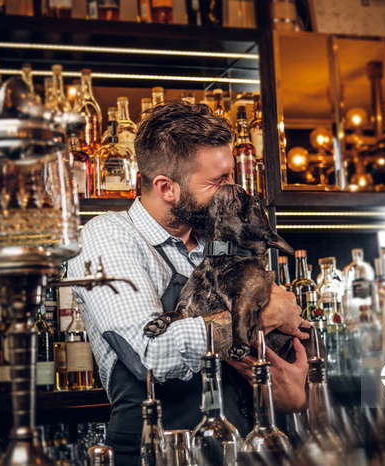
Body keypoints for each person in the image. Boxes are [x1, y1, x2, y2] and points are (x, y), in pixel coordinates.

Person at [68, 100, 310, 465]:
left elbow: (283, 371)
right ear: (167, 187)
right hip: (161, 455)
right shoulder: (108, 237)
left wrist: (294, 394)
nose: (234, 189)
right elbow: (149, 355)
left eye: (231, 175)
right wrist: (262, 315)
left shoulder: (225, 243)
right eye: (219, 181)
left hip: (244, 451)